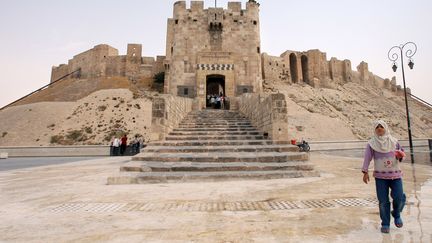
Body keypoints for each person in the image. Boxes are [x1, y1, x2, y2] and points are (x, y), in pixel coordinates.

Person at [362, 120, 406, 234]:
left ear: (385, 128)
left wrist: (401, 155)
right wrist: (365, 172)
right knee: (383, 201)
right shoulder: (372, 144)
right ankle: (385, 223)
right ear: (375, 129)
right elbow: (367, 158)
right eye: (377, 127)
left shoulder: (394, 141)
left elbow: (401, 154)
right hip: (380, 177)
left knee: (399, 196)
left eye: (382, 126)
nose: (380, 128)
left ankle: (396, 213)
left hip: (395, 175)